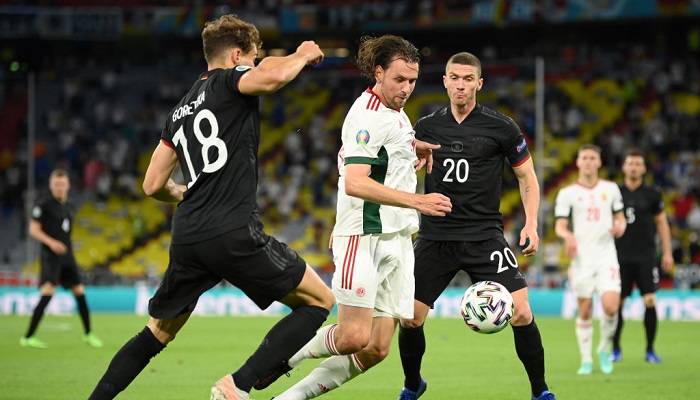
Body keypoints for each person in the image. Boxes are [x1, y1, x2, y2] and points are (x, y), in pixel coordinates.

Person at [87, 14, 335, 400]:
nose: (253, 64)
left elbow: (152, 184)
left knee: (157, 331)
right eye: (251, 58)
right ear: (236, 55)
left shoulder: (180, 110)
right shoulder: (229, 81)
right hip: (232, 229)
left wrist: (185, 192)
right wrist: (301, 54)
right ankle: (239, 383)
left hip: (188, 234)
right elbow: (272, 77)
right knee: (320, 300)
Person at [261, 34, 452, 400]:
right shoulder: (367, 116)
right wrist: (419, 201)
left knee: (376, 348)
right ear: (378, 73)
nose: (406, 88)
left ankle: (288, 398)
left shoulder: (395, 113)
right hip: (364, 237)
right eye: (399, 79)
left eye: (412, 80)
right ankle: (281, 357)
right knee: (352, 337)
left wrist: (411, 147)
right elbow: (355, 182)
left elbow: (383, 150)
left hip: (397, 238)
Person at [397, 52, 556, 400]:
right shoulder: (423, 127)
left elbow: (527, 178)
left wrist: (531, 223)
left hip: (485, 238)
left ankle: (540, 392)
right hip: (435, 236)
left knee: (522, 312)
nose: (461, 85)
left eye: (468, 79)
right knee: (409, 318)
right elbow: (399, 174)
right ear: (445, 82)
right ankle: (412, 385)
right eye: (455, 78)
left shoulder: (502, 127)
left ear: (479, 84)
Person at [554, 144, 627, 375]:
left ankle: (604, 348)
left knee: (611, 307)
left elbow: (621, 218)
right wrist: (568, 236)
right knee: (584, 310)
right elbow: (560, 225)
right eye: (584, 157)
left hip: (606, 255)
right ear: (578, 162)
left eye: (592, 158)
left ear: (599, 162)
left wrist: (620, 226)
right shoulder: (567, 193)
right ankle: (586, 359)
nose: (588, 161)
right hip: (581, 259)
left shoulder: (611, 189)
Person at [20, 168, 103, 349]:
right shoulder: (43, 205)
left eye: (62, 184)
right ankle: (28, 337)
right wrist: (51, 243)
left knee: (79, 291)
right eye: (56, 184)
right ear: (51, 186)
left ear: (68, 185)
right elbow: (33, 230)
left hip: (67, 255)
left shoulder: (69, 206)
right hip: (50, 256)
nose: (59, 187)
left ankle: (88, 334)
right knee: (48, 291)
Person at [612, 148, 674, 363]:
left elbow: (662, 223)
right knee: (618, 302)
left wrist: (667, 252)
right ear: (624, 167)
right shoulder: (614, 193)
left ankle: (650, 350)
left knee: (649, 300)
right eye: (631, 163)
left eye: (638, 164)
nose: (634, 167)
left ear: (644, 168)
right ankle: (615, 349)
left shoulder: (653, 193)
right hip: (619, 256)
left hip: (646, 256)